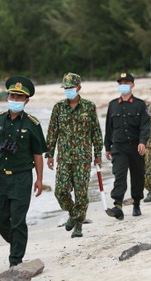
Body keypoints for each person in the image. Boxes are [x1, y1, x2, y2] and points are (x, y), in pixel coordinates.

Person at [0, 76, 47, 267]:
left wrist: (39, 180)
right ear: (7, 96)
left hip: (22, 178)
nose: (15, 100)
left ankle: (15, 260)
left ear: (26, 101)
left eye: (19, 97)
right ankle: (18, 243)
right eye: (12, 95)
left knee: (17, 221)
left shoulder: (32, 125)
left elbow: (37, 154)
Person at [45, 72, 103, 238]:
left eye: (71, 87)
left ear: (78, 88)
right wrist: (49, 154)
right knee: (60, 191)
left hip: (83, 158)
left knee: (81, 193)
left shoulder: (89, 107)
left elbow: (96, 132)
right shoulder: (58, 108)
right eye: (65, 88)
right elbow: (52, 132)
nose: (68, 90)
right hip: (63, 157)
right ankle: (74, 214)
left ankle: (78, 226)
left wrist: (98, 154)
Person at [104, 72, 150, 220]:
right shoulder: (112, 105)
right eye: (121, 83)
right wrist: (107, 147)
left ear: (132, 85)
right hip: (118, 147)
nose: (123, 85)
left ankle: (136, 202)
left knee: (137, 176)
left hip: (136, 147)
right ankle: (118, 206)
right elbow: (109, 128)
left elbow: (145, 126)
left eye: (127, 82)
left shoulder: (140, 105)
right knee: (119, 176)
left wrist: (143, 142)